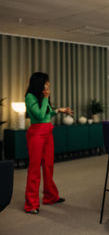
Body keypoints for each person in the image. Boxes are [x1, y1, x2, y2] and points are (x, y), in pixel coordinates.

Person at [24, 72, 72, 214]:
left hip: (47, 132)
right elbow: (39, 115)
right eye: (46, 81)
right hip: (36, 134)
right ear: (40, 83)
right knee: (34, 169)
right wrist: (45, 97)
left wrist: (59, 110)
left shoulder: (42, 96)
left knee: (48, 166)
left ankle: (50, 196)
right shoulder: (30, 97)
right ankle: (31, 204)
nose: (49, 83)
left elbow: (47, 113)